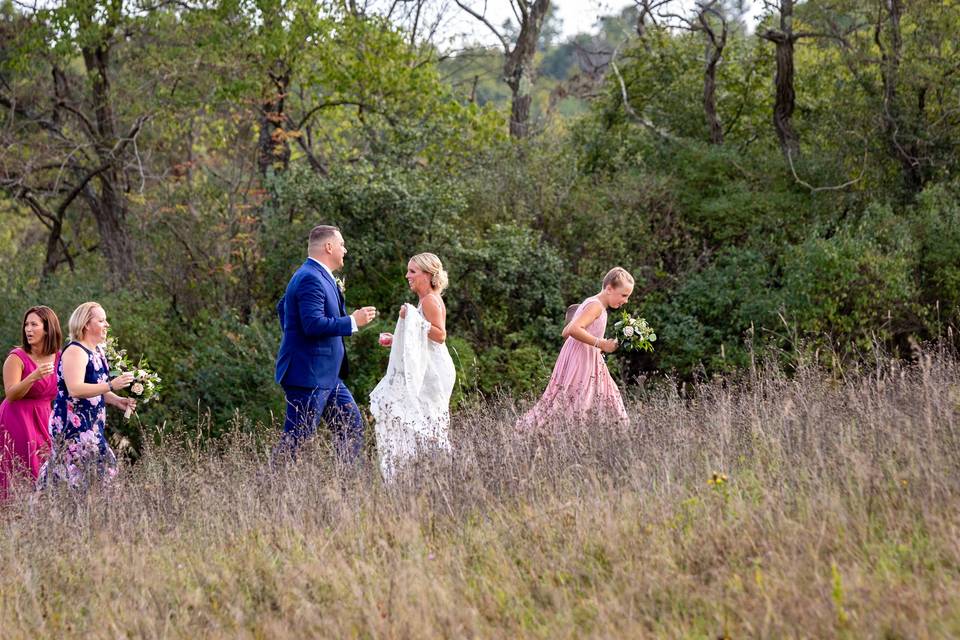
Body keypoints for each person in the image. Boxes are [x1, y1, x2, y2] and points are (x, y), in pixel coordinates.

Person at [274, 225, 377, 461]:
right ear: (329, 247)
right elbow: (312, 324)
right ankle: (269, 490)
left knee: (351, 427)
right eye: (341, 244)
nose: (345, 249)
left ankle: (346, 488)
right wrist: (352, 321)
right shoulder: (309, 277)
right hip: (309, 375)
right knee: (296, 440)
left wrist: (294, 337)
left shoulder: (317, 275)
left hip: (329, 376)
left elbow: (284, 308)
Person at [371, 253, 456, 480]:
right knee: (419, 419)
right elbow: (420, 339)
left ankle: (440, 472)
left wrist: (412, 319)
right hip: (429, 367)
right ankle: (425, 474)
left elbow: (440, 335)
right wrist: (397, 336)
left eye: (413, 271)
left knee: (426, 420)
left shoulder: (429, 299)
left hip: (435, 371)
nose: (407, 275)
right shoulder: (425, 299)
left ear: (428, 275)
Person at [517, 267, 634, 430]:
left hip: (583, 356)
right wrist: (600, 344)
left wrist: (603, 345)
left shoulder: (593, 303)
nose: (626, 300)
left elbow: (566, 331)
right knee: (579, 401)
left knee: (604, 397)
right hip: (581, 361)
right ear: (609, 289)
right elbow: (572, 330)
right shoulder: (596, 306)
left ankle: (596, 439)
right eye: (624, 295)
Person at [40, 302, 136, 489]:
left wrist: (117, 400)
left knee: (93, 474)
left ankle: (75, 512)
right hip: (72, 426)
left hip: (92, 425)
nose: (107, 324)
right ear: (85, 324)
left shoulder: (98, 351)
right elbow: (75, 389)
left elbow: (95, 388)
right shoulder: (75, 351)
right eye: (101, 320)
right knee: (94, 471)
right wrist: (111, 385)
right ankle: (52, 508)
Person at [0, 306, 62, 499]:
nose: (28, 329)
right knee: (23, 471)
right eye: (26, 324)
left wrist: (113, 395)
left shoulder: (60, 357)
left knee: (46, 470)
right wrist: (33, 376)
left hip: (45, 418)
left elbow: (75, 386)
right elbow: (11, 394)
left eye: (34, 324)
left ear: (47, 328)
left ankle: (40, 521)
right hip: (16, 419)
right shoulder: (16, 358)